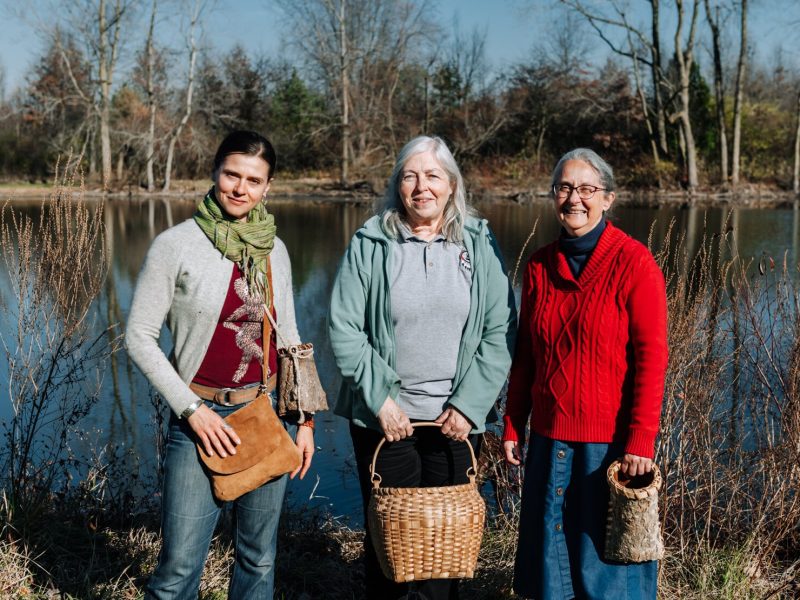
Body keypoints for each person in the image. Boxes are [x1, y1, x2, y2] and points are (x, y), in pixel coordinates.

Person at [126, 130, 315, 599]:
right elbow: (139, 338)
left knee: (259, 558)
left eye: (254, 180)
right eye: (233, 174)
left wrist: (305, 419)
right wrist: (192, 411)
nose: (240, 188)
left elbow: (290, 340)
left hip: (265, 414)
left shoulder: (274, 249)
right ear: (215, 172)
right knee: (177, 571)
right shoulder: (176, 245)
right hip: (199, 422)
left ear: (267, 188)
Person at [328, 135, 517, 600]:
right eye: (409, 176)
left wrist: (470, 407)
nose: (421, 187)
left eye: (433, 175)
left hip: (455, 424)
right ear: (397, 185)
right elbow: (345, 328)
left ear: (451, 185)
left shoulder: (479, 240)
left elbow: (501, 330)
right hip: (387, 420)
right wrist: (381, 402)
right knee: (390, 548)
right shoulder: (372, 241)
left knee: (444, 549)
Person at [502, 148, 668, 599]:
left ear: (608, 199)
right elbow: (526, 357)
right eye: (564, 188)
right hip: (550, 440)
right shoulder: (538, 266)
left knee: (608, 569)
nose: (574, 198)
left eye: (587, 189)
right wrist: (514, 421)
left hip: (608, 446)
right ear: (553, 195)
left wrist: (640, 440)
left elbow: (652, 358)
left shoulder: (634, 263)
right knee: (552, 568)